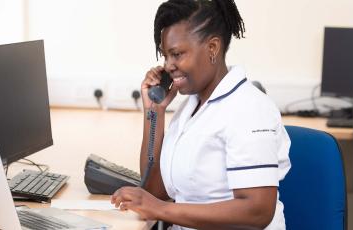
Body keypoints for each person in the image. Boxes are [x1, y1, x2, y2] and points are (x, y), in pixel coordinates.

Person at [111, 0, 291, 229]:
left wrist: (161, 209)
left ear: (212, 48)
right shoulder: (191, 107)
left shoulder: (248, 109)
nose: (168, 65)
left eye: (176, 54)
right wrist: (154, 111)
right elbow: (155, 190)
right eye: (165, 55)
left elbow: (257, 211)